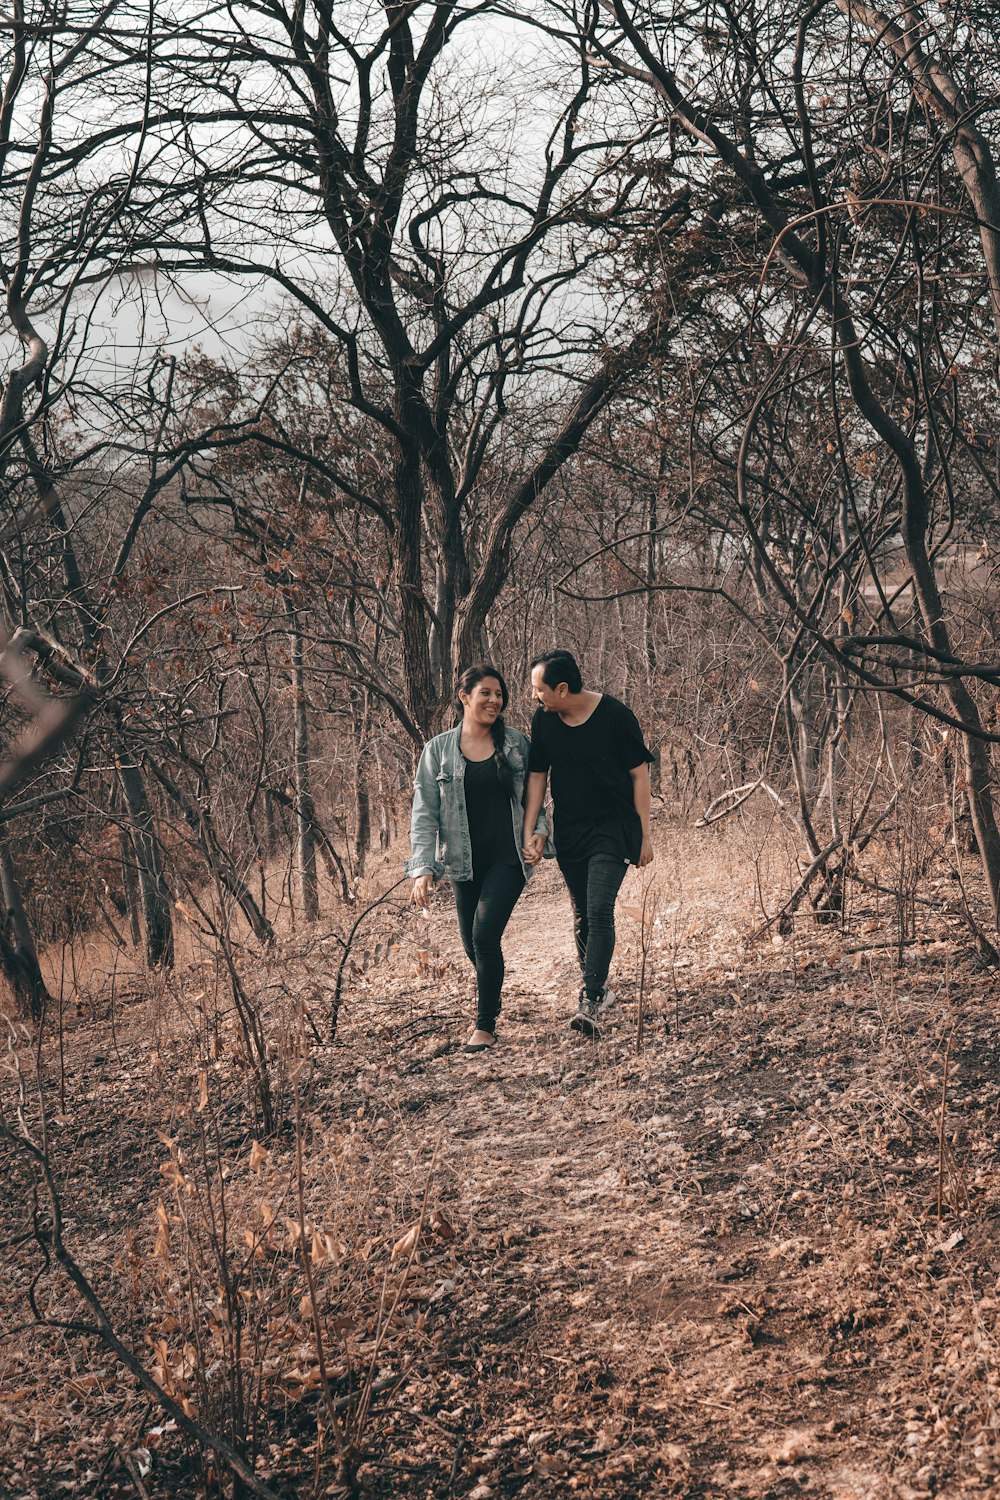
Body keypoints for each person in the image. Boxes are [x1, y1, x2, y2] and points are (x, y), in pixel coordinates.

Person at [407, 664, 547, 1054]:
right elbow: (424, 813)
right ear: (464, 696)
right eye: (486, 693)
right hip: (461, 863)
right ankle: (494, 993)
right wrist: (423, 869)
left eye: (499, 694)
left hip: (509, 858)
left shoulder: (516, 744)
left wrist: (539, 832)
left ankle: (485, 1026)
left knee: (485, 936)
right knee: (474, 945)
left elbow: (533, 799)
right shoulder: (437, 750)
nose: (495, 701)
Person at [522, 650, 653, 1038]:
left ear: (562, 689)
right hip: (570, 830)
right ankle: (598, 987)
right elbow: (536, 776)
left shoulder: (615, 716)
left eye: (538, 689)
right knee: (581, 914)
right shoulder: (544, 721)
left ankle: (591, 998)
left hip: (613, 827)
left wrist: (644, 834)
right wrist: (530, 828)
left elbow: (640, 776)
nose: (534, 696)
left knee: (599, 909)